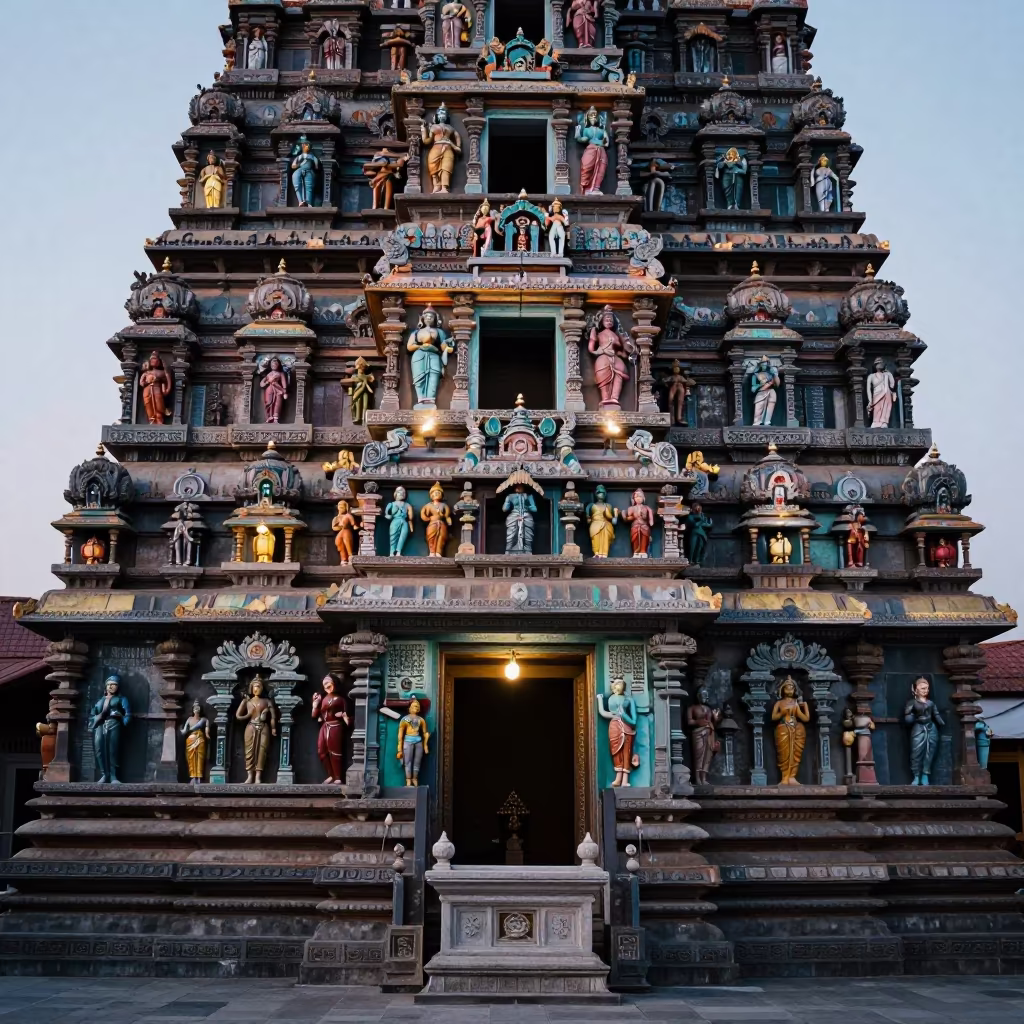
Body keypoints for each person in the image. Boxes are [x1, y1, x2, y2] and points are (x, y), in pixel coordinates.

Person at [407, 306, 453, 408]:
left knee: (434, 375)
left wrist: (448, 347)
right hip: (419, 355)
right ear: (422, 318)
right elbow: (409, 346)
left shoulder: (439, 332)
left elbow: (443, 346)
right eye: (426, 316)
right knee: (419, 377)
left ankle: (430, 400)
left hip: (434, 355)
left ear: (435, 319)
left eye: (431, 316)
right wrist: (421, 346)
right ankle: (421, 399)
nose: (428, 318)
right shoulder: (416, 333)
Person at [596, 678, 640, 787]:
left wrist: (623, 714)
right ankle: (618, 777)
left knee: (626, 753)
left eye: (620, 683)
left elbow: (634, 721)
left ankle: (625, 780)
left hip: (627, 728)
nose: (618, 685)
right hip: (614, 726)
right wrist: (599, 700)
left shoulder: (628, 700)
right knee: (616, 752)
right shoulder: (611, 698)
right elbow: (604, 713)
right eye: (616, 683)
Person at [90, 674, 131, 784]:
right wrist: (95, 720)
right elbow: (92, 713)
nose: (111, 687)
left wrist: (122, 718)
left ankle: (113, 775)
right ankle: (104, 774)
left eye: (114, 685)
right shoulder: (100, 700)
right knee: (99, 749)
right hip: (100, 725)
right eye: (109, 684)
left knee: (112, 750)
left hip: (114, 724)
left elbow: (128, 714)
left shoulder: (121, 699)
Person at [588, 305, 631, 409]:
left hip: (615, 358)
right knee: (604, 379)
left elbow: (623, 350)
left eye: (611, 319)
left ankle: (615, 398)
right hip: (603, 357)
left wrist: (623, 352)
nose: (609, 321)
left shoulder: (616, 335)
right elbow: (591, 348)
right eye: (606, 319)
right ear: (601, 321)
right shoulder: (599, 334)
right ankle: (606, 399)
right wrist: (599, 351)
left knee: (619, 375)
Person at [236, 677, 277, 784]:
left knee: (262, 751)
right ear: (251, 687)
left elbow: (273, 717)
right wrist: (248, 715)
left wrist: (273, 728)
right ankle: (250, 776)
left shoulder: (267, 701)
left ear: (262, 688)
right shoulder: (246, 701)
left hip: (263, 727)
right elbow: (238, 716)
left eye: (258, 686)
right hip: (250, 726)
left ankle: (258, 776)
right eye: (254, 686)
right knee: (249, 751)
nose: (256, 689)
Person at [904, 677, 945, 786]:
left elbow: (935, 714)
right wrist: (910, 718)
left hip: (931, 728)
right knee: (916, 752)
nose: (925, 691)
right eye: (922, 688)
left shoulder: (930, 703)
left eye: (927, 688)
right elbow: (907, 716)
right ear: (915, 690)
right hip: (918, 727)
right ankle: (916, 775)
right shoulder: (912, 703)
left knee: (930, 751)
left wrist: (940, 721)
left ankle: (925, 774)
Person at [312, 674, 350, 784]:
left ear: (334, 683)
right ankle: (331, 775)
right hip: (325, 726)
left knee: (335, 751)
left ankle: (338, 776)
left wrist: (344, 716)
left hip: (335, 726)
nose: (327, 686)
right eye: (324, 684)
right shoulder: (323, 699)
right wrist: (315, 705)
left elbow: (347, 714)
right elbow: (315, 715)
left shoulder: (340, 699)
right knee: (321, 751)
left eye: (329, 683)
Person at [772, 677, 809, 784]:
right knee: (784, 754)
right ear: (782, 690)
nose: (789, 689)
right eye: (787, 687)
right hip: (783, 728)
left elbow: (805, 718)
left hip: (796, 729)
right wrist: (782, 713)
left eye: (792, 687)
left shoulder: (795, 703)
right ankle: (784, 777)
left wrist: (805, 706)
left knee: (796, 754)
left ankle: (792, 777)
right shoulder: (779, 703)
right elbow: (773, 717)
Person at [421, 105, 462, 194]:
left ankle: (444, 188)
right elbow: (426, 141)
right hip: (435, 148)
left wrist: (456, 146)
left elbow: (457, 138)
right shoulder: (433, 127)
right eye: (440, 113)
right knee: (433, 168)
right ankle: (436, 186)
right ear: (436, 116)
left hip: (448, 149)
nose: (442, 115)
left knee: (446, 168)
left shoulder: (451, 128)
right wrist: (423, 131)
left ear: (447, 116)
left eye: (444, 113)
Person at [687, 688, 721, 785]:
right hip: (699, 733)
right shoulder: (692, 708)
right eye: (704, 695)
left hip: (710, 732)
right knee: (699, 755)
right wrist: (699, 722)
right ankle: (697, 778)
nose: (706, 697)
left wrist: (715, 718)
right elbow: (689, 721)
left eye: (707, 695)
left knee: (708, 755)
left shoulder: (709, 709)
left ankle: (704, 778)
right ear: (698, 696)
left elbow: (713, 722)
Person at [575, 107, 609, 194]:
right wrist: (578, 134)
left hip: (601, 151)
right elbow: (582, 139)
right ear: (587, 118)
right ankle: (586, 188)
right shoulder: (586, 130)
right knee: (586, 167)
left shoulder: (602, 130)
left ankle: (596, 188)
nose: (593, 117)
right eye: (591, 116)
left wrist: (598, 142)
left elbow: (606, 143)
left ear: (598, 118)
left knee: (601, 169)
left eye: (595, 115)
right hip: (590, 150)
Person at [396, 698, 429, 786]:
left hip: (418, 740)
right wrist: (399, 749)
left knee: (417, 761)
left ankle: (415, 778)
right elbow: (400, 735)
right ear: (410, 707)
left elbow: (425, 732)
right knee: (408, 762)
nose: (417, 707)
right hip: (408, 740)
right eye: (415, 705)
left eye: (418, 706)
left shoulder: (421, 720)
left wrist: (425, 744)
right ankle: (408, 780)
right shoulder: (405, 720)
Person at [180, 700, 210, 783]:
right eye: (195, 707)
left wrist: (207, 734)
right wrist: (181, 731)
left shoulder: (204, 719)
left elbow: (207, 728)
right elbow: (185, 730)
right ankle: (193, 776)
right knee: (191, 758)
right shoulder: (189, 719)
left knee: (200, 757)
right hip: (191, 739)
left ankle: (199, 776)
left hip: (200, 738)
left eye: (198, 707)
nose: (196, 709)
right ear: (192, 709)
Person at [502, 484, 538, 554]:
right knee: (511, 536)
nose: (518, 488)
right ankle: (508, 552)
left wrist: (527, 506)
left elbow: (534, 509)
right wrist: (507, 501)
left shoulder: (529, 496)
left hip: (526, 516)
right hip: (514, 516)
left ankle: (528, 552)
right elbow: (504, 509)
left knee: (528, 537)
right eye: (517, 486)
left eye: (520, 486)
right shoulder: (510, 496)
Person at [140, 352, 172, 424]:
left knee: (159, 405)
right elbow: (141, 383)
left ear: (158, 361)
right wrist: (147, 382)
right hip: (147, 390)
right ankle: (152, 420)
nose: (152, 361)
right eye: (151, 359)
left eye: (154, 359)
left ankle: (159, 420)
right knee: (148, 404)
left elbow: (166, 380)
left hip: (157, 389)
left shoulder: (162, 372)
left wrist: (166, 389)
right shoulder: (146, 373)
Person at [587, 484, 618, 558]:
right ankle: (596, 553)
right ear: (596, 494)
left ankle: (604, 553)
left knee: (605, 539)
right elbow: (588, 518)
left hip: (606, 525)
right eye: (599, 493)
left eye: (603, 493)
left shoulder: (608, 506)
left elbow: (613, 520)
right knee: (596, 539)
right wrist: (588, 519)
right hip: (595, 524)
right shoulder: (591, 505)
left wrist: (616, 515)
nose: (601, 495)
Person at [865, 357, 896, 429]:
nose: (879, 365)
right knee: (877, 409)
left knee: (885, 408)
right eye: (878, 363)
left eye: (881, 363)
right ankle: (875, 422)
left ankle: (884, 422)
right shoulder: (871, 376)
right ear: (875, 366)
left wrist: (889, 374)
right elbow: (868, 389)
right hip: (876, 395)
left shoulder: (887, 374)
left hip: (886, 393)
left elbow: (892, 385)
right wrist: (870, 400)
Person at [290, 137, 321, 206]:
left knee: (309, 187)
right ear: (302, 146)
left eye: (307, 145)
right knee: (297, 185)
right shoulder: (299, 157)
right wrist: (299, 165)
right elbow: (293, 166)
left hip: (309, 171)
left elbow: (316, 167)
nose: (306, 146)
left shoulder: (313, 157)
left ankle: (308, 202)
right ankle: (300, 201)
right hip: (300, 170)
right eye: (305, 145)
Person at [385, 486, 414, 555]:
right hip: (395, 521)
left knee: (403, 536)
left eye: (403, 493)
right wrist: (390, 514)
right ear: (395, 494)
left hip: (404, 522)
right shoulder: (391, 504)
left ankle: (398, 552)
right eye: (399, 492)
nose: (402, 494)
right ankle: (392, 552)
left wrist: (410, 512)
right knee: (393, 537)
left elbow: (411, 517)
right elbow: (387, 514)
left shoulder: (407, 505)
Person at [260, 357, 289, 422]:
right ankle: (269, 417)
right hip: (269, 389)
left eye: (275, 364)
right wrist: (268, 381)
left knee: (277, 403)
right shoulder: (268, 374)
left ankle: (275, 417)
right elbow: (261, 383)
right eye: (272, 365)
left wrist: (285, 392)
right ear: (270, 366)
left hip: (278, 390)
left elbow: (284, 384)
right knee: (268, 402)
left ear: (278, 366)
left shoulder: (281, 373)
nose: (274, 366)